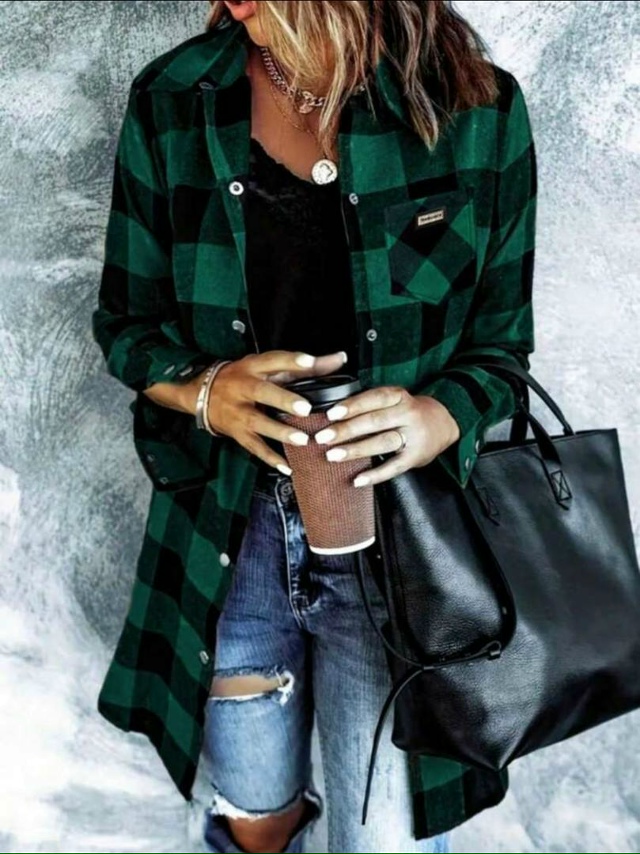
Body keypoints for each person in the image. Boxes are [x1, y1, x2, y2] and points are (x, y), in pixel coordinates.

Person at [91, 1, 537, 852]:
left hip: (402, 560)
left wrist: (438, 417)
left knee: (386, 839)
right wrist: (205, 391)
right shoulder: (175, 99)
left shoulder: (477, 109)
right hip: (230, 540)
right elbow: (125, 323)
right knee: (255, 817)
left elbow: (502, 344)